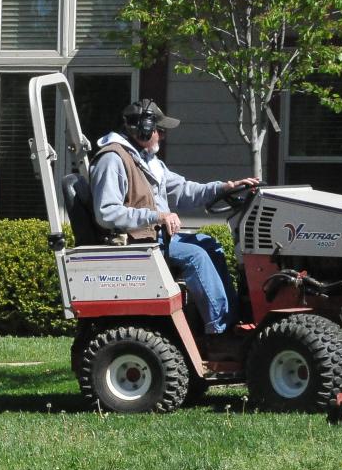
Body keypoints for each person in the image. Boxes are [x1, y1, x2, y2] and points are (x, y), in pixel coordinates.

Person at [90, 99, 258, 340]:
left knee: (210, 244)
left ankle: (231, 318)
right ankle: (219, 333)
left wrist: (224, 188)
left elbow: (183, 191)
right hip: (136, 242)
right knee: (196, 256)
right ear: (145, 129)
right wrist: (157, 215)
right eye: (160, 130)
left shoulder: (147, 161)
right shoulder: (113, 159)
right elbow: (106, 212)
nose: (162, 136)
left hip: (154, 237)